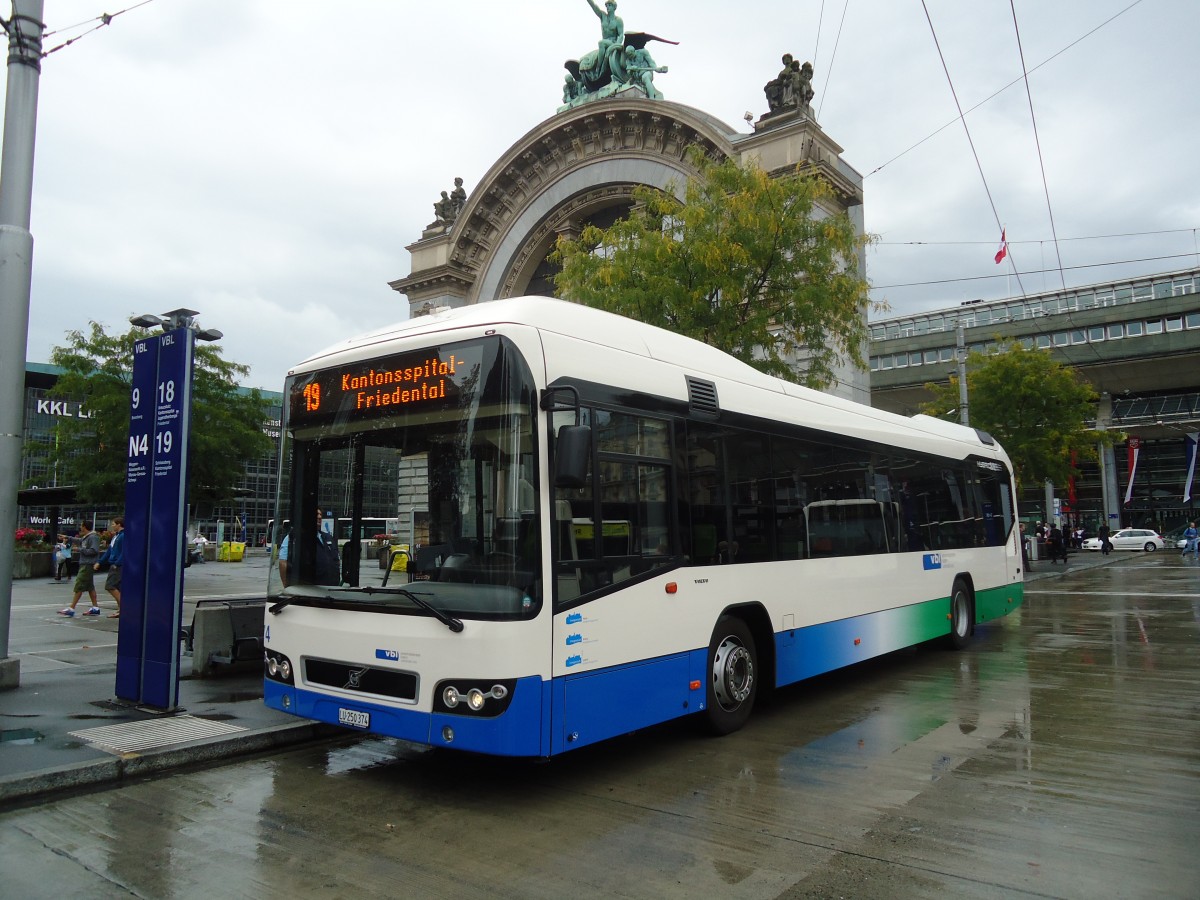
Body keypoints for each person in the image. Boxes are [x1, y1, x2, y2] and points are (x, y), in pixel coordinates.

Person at [59, 520, 100, 617]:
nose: (80, 528)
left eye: (81, 526)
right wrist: (68, 538)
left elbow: (94, 550)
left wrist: (79, 549)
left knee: (79, 585)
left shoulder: (93, 537)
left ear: (84, 527)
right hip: (85, 564)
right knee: (90, 587)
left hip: (87, 564)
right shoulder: (87, 537)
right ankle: (95, 608)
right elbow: (79, 541)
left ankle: (71, 608)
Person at [95, 516, 124, 618]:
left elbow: (124, 551)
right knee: (117, 588)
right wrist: (100, 561)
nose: (112, 526)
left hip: (117, 565)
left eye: (113, 524)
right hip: (114, 563)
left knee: (110, 586)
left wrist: (117, 563)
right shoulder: (116, 536)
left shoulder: (122, 536)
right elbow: (109, 551)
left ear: (119, 524)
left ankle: (123, 609)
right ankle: (120, 609)